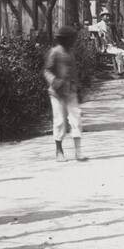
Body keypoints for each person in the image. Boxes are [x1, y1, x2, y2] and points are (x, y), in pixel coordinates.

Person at [44, 25, 84, 161]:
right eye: (72, 39)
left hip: (71, 90)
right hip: (57, 92)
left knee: (76, 119)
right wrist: (55, 81)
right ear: (64, 40)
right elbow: (47, 70)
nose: (73, 41)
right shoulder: (54, 52)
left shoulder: (71, 53)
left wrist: (78, 88)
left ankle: (78, 151)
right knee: (59, 121)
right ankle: (59, 151)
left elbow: (74, 72)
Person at [91, 9, 124, 76]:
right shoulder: (99, 25)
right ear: (102, 17)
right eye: (106, 16)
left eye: (108, 16)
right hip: (105, 47)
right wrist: (98, 30)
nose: (108, 17)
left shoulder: (108, 26)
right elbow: (89, 28)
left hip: (112, 46)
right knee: (119, 53)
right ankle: (121, 71)